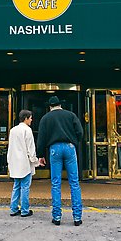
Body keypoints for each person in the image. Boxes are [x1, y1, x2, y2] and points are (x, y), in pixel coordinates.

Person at [37, 95, 84, 226]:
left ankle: (57, 217)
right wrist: (74, 142)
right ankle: (77, 217)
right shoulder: (71, 115)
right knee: (74, 182)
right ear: (60, 105)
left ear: (50, 106)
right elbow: (80, 132)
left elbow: (41, 138)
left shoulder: (46, 118)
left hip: (54, 149)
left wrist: (41, 155)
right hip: (69, 147)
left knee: (56, 183)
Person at [7, 109, 41, 217]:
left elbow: (10, 147)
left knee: (16, 186)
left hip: (15, 162)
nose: (31, 120)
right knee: (25, 187)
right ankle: (25, 210)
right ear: (26, 118)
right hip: (25, 163)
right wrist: (35, 161)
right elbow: (30, 148)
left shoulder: (13, 130)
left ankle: (13, 209)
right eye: (30, 118)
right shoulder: (27, 130)